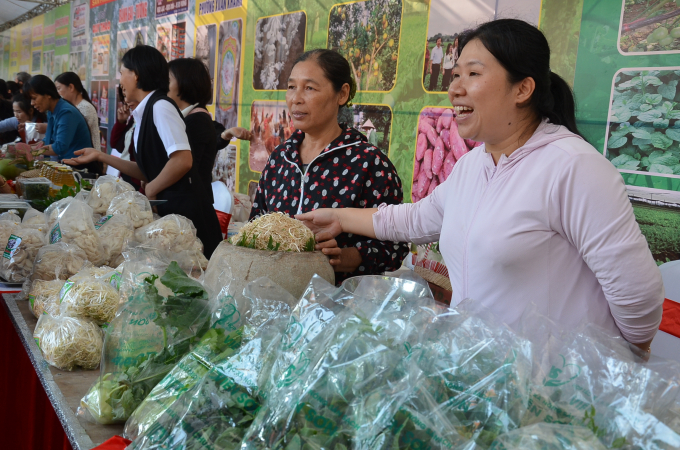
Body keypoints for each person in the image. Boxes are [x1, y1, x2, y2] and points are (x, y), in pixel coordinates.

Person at [297, 19, 664, 353]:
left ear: (523, 89)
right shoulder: (473, 165)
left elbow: (639, 302)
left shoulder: (573, 167)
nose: (454, 88)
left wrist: (598, 371)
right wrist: (339, 218)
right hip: (483, 379)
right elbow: (414, 220)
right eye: (455, 75)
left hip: (555, 394)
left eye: (472, 73)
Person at [250, 48, 410, 285]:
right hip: (273, 298)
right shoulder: (280, 158)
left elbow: (396, 246)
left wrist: (348, 257)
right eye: (292, 87)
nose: (296, 98)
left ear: (342, 94)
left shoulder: (369, 163)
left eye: (310, 88)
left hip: (339, 306)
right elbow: (256, 224)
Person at [63, 45, 222, 258]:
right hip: (173, 218)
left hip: (189, 218)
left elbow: (183, 160)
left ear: (136, 75)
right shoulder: (147, 110)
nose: (120, 82)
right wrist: (100, 155)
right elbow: (148, 169)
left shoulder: (161, 107)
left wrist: (150, 190)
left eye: (122, 73)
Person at [24, 75, 102, 174]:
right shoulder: (52, 111)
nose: (32, 103)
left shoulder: (66, 112)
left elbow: (60, 147)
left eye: (34, 98)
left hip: (82, 170)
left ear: (48, 94)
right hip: (69, 166)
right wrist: (26, 148)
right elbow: (48, 139)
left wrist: (32, 151)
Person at [54, 72, 101, 152]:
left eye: (59, 89)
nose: (57, 94)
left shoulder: (85, 107)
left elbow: (72, 133)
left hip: (88, 158)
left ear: (71, 87)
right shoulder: (72, 107)